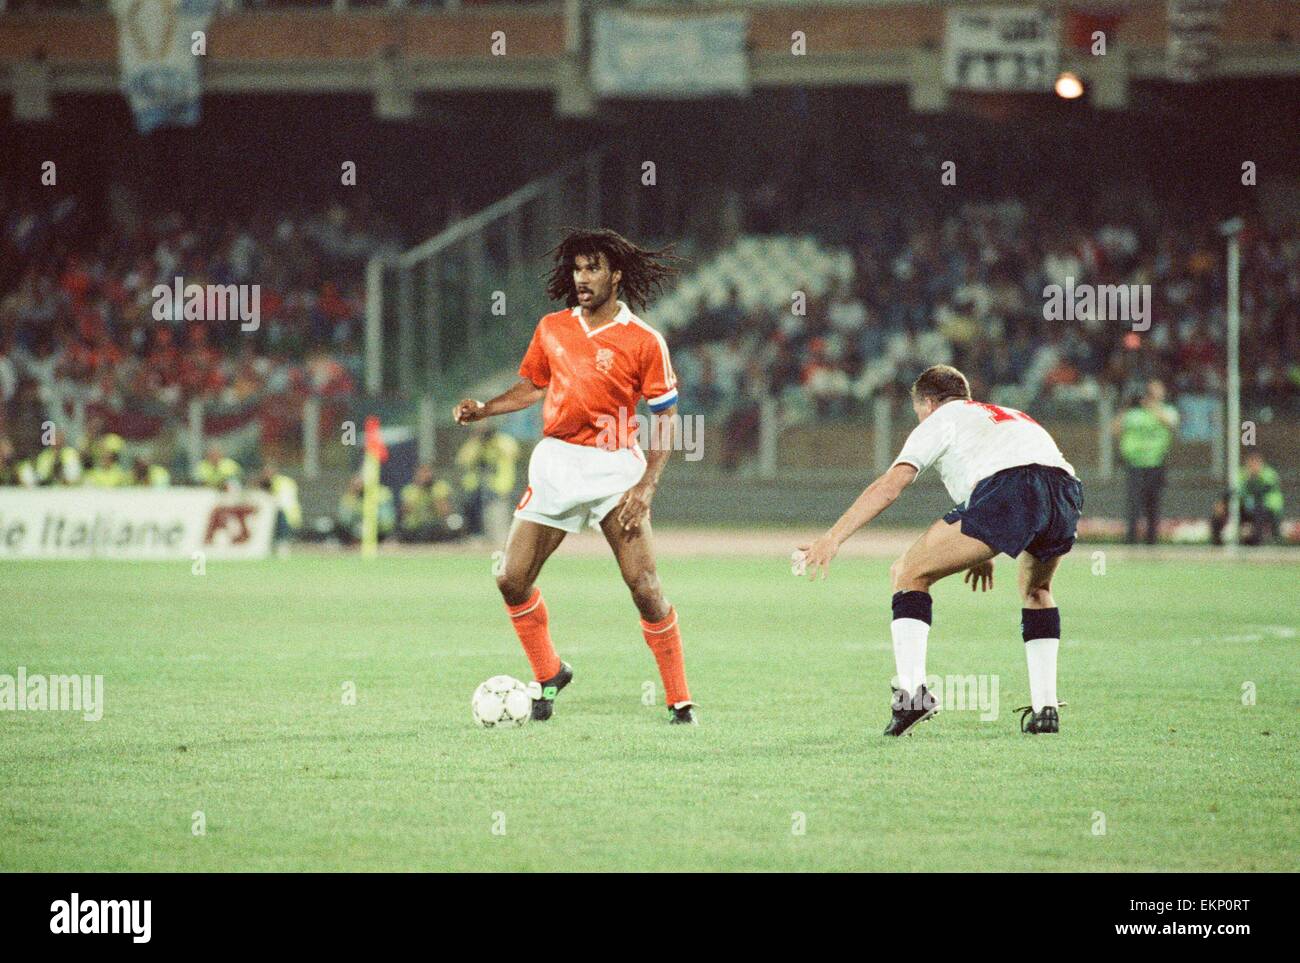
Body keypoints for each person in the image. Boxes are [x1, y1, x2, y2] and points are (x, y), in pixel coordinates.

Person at [452, 227, 696, 725]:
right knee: (511, 579)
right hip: (557, 464)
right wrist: (486, 409)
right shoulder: (552, 329)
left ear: (616, 275)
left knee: (645, 586)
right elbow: (531, 387)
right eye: (577, 269)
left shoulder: (645, 340)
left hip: (614, 469)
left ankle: (680, 699)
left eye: (592, 269)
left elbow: (667, 417)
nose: (581, 278)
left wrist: (646, 486)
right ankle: (550, 671)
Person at [796, 364, 1083, 737]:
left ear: (928, 403)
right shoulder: (1007, 415)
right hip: (1064, 490)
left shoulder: (939, 419)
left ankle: (912, 695)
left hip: (1009, 490)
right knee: (1037, 591)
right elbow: (1016, 471)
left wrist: (833, 537)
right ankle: (1046, 709)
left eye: (918, 410)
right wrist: (985, 549)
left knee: (907, 573)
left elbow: (890, 486)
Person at [1113, 379, 1178, 544]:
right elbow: (1115, 429)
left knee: (1153, 503)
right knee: (1134, 503)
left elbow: (1170, 423)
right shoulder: (1133, 414)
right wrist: (1125, 407)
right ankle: (1131, 540)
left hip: (1156, 463)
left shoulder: (1168, 410)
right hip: (1134, 464)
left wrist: (1152, 406)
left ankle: (1151, 540)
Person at [454, 422, 519, 540]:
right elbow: (463, 460)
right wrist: (477, 440)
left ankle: (499, 548)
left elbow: (512, 452)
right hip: (476, 491)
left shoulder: (503, 441)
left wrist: (493, 440)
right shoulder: (475, 444)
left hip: (499, 489)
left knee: (497, 524)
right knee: (477, 529)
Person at [1211, 452, 1284, 546]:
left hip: (1268, 509)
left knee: (1259, 511)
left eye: (1256, 463)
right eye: (1250, 463)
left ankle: (1255, 543)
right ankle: (1217, 543)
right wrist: (1222, 502)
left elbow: (1261, 491)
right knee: (1219, 511)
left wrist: (1252, 480)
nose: (1253, 466)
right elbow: (1232, 490)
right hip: (1247, 507)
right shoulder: (1242, 474)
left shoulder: (1269, 474)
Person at [399, 464, 461, 543]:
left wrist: (434, 495)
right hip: (415, 528)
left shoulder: (439, 487)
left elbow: (446, 512)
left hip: (434, 526)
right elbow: (405, 512)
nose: (426, 476)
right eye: (422, 473)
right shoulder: (410, 490)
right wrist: (419, 490)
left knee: (454, 524)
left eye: (428, 472)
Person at [336, 472, 394, 545]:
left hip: (378, 530)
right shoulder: (350, 497)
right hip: (356, 529)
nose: (357, 486)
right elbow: (344, 520)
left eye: (360, 482)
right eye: (355, 484)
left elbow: (386, 519)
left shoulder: (381, 493)